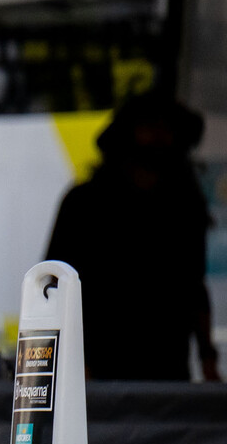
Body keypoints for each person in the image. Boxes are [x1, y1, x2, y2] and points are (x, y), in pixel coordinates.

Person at [45, 92, 219, 382]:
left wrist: (208, 360)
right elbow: (53, 287)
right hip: (98, 373)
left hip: (168, 371)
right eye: (149, 126)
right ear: (125, 136)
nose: (159, 136)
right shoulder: (84, 204)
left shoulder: (184, 209)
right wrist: (74, 364)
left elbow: (194, 289)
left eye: (168, 127)